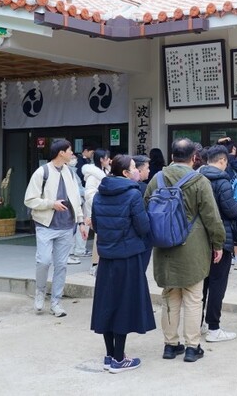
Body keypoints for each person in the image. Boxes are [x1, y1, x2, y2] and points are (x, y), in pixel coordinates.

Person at [144, 138, 226, 363]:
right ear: (194, 158)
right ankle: (192, 347)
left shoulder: (156, 179)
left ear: (171, 157)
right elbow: (212, 218)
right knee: (193, 298)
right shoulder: (199, 181)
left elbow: (145, 210)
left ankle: (170, 345)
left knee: (170, 296)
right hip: (193, 248)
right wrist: (218, 244)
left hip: (164, 249)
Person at [90, 155, 155, 373]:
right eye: (134, 167)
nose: (137, 170)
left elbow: (97, 226)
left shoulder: (100, 194)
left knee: (107, 305)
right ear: (126, 173)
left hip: (107, 258)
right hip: (128, 258)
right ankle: (120, 359)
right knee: (124, 307)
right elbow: (143, 227)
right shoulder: (132, 194)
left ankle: (110, 355)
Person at [23, 139, 86, 318]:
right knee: (43, 261)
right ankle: (40, 292)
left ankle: (56, 302)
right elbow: (29, 199)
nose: (72, 154)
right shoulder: (42, 172)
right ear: (61, 153)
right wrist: (51, 204)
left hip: (67, 226)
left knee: (61, 265)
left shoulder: (70, 173)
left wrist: (80, 221)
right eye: (70, 151)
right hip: (45, 226)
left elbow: (76, 199)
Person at [198, 145, 237, 343]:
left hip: (200, 239)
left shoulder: (197, 177)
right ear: (222, 161)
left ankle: (197, 323)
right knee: (217, 284)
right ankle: (214, 327)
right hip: (221, 239)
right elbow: (231, 211)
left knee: (201, 284)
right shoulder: (222, 182)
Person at [83, 149, 111, 277]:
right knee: (98, 237)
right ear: (101, 159)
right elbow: (89, 195)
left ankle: (100, 264)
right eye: (107, 157)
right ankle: (95, 265)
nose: (109, 160)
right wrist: (102, 202)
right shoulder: (93, 175)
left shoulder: (106, 171)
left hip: (104, 209)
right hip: (97, 210)